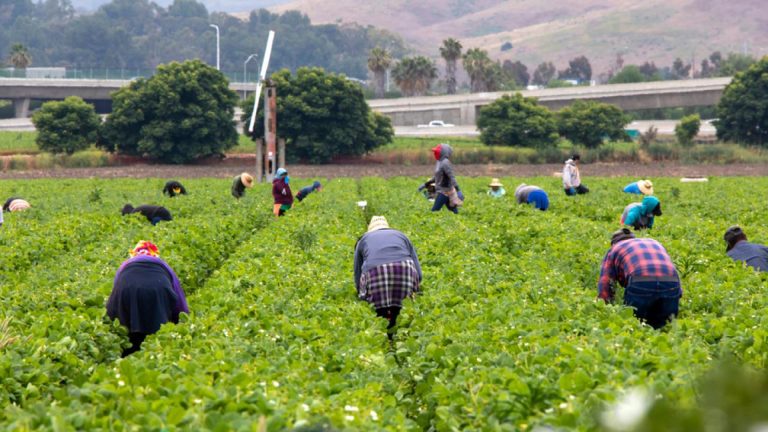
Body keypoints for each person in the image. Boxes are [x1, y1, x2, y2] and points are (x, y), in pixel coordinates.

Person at [107, 241, 189, 357]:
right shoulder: (163, 265)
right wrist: (181, 317)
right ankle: (155, 353)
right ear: (155, 255)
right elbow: (177, 293)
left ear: (134, 254)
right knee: (157, 328)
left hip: (127, 288)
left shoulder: (125, 265)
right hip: (158, 288)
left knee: (127, 329)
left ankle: (127, 355)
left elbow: (116, 287)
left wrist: (111, 318)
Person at [597, 228, 682, 329]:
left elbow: (605, 283)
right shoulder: (654, 242)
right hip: (671, 281)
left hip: (641, 280)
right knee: (665, 327)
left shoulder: (615, 248)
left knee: (634, 324)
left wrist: (604, 307)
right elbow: (668, 266)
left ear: (614, 243)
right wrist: (677, 294)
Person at [354, 216, 422, 339]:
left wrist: (361, 292)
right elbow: (417, 267)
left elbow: (357, 270)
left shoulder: (363, 240)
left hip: (375, 271)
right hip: (405, 268)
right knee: (402, 306)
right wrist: (416, 286)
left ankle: (383, 329)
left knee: (379, 311)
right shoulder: (402, 235)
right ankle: (400, 331)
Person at [429, 143, 461, 213]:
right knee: (454, 212)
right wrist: (426, 184)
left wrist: (458, 190)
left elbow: (451, 176)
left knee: (434, 211)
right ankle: (460, 219)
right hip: (443, 191)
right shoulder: (439, 162)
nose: (435, 153)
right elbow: (437, 176)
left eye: (437, 152)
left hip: (444, 192)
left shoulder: (445, 163)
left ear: (443, 152)